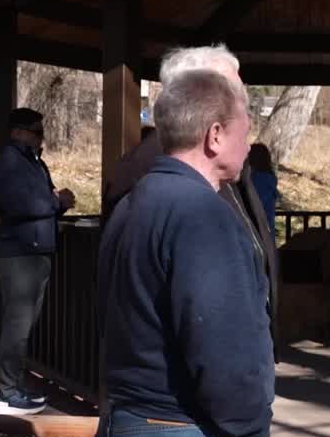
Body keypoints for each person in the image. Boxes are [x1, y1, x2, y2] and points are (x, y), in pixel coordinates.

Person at [92, 70, 273, 437]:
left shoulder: (132, 205)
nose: (249, 143)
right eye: (245, 128)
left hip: (126, 432)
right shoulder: (204, 217)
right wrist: (252, 433)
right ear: (214, 135)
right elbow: (223, 352)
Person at [101, 46, 279, 354]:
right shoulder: (148, 170)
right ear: (189, 93)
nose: (240, 100)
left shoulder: (229, 166)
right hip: (187, 381)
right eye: (227, 88)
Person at [0, 107, 76, 416]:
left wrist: (56, 204)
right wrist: (57, 201)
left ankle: (14, 385)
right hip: (20, 255)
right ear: (18, 132)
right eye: (36, 131)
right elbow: (23, 204)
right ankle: (7, 394)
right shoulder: (11, 162)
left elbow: (41, 203)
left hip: (36, 251)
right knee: (17, 324)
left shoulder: (33, 162)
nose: (42, 137)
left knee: (24, 324)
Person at [248, 143, 279, 242]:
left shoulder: (258, 180)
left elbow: (254, 205)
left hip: (259, 232)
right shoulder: (269, 179)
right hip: (267, 231)